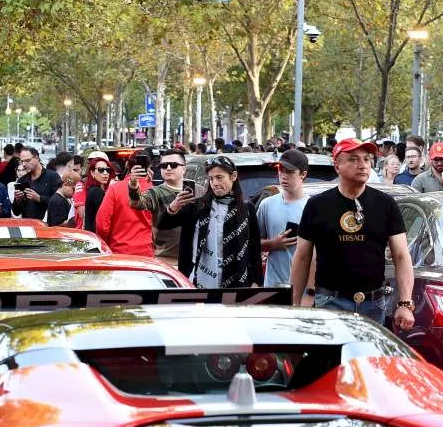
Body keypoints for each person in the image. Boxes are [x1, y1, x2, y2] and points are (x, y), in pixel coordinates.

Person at [289, 139, 415, 329]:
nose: (362, 165)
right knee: (333, 359)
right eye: (353, 159)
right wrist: (295, 304)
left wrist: (405, 303)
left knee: (369, 359)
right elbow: (302, 257)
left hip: (374, 304)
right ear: (337, 166)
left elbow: (401, 255)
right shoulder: (317, 205)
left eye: (366, 159)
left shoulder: (385, 204)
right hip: (330, 304)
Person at [158, 156, 262, 286]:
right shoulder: (197, 206)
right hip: (199, 278)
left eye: (219, 177)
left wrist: (257, 281)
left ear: (233, 176)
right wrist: (174, 206)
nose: (215, 183)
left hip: (237, 280)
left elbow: (254, 248)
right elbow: (163, 224)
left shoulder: (246, 209)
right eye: (211, 179)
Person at [256, 149, 311, 287]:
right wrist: (272, 244)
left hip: (303, 288)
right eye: (281, 170)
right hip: (273, 286)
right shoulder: (266, 205)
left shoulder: (313, 207)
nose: (283, 176)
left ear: (303, 174)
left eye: (290, 172)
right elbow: (251, 243)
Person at [127, 148, 187, 267]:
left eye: (173, 165)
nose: (168, 168)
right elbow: (136, 203)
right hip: (166, 262)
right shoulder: (155, 193)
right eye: (164, 166)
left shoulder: (198, 191)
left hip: (194, 261)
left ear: (184, 168)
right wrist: (133, 184)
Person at [95, 148, 154, 255]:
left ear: (127, 165)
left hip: (118, 252)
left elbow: (102, 224)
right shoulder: (154, 191)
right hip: (146, 254)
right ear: (149, 168)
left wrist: (106, 245)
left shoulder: (115, 189)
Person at [12, 146, 60, 219]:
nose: (24, 164)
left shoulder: (52, 177)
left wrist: (39, 198)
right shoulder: (22, 180)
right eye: (22, 161)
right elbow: (16, 212)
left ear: (37, 158)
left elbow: (59, 203)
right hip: (27, 226)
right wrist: (17, 200)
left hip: (47, 226)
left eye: (27, 160)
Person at [80, 153, 112, 233]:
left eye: (107, 170)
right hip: (96, 236)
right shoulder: (96, 192)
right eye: (101, 170)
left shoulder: (95, 190)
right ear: (92, 173)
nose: (105, 173)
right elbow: (102, 221)